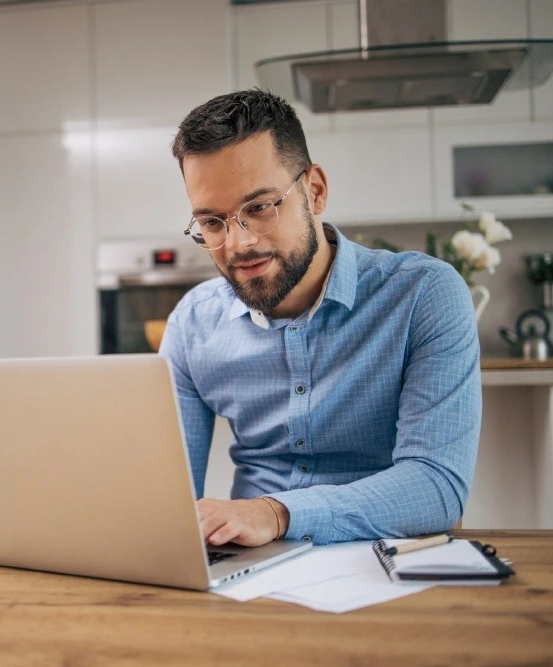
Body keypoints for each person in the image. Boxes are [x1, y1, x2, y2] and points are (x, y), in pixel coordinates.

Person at [160, 89, 481, 547]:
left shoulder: (423, 294)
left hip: (387, 557)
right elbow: (167, 498)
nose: (239, 243)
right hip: (246, 569)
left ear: (315, 191)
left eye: (259, 208)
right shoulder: (193, 324)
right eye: (212, 222)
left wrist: (277, 513)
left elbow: (437, 486)